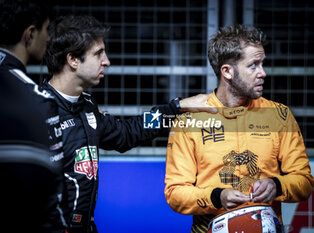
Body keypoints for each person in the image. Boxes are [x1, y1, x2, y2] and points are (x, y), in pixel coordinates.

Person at [42, 15, 215, 233]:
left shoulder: (86, 105)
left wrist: (176, 108)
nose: (107, 61)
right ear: (73, 60)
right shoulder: (38, 110)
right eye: (98, 54)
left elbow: (127, 132)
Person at [164, 24, 314, 232]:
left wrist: (277, 185)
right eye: (253, 65)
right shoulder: (189, 121)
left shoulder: (279, 115)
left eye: (262, 64)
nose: (263, 73)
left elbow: (304, 181)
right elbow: (175, 193)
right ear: (227, 71)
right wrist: (217, 197)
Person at [0, 0, 67, 232]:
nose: (49, 38)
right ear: (30, 34)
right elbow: (50, 193)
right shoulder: (35, 99)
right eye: (46, 30)